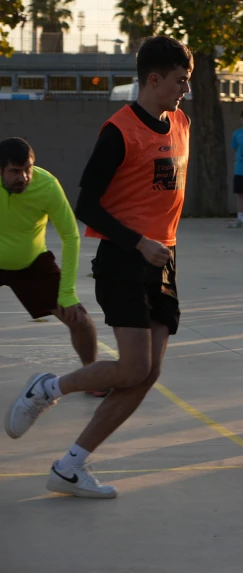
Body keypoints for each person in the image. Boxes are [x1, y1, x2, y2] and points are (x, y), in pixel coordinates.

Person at [4, 37, 192, 499]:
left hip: (162, 259)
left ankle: (70, 466)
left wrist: (158, 245)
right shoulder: (119, 131)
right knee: (132, 367)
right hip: (124, 258)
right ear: (154, 79)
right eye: (180, 80)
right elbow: (87, 203)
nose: (184, 89)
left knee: (146, 374)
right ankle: (49, 388)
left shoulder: (182, 121)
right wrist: (139, 242)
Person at [0, 138, 101, 394]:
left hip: (31, 262)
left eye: (28, 169)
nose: (23, 177)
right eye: (14, 171)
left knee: (78, 318)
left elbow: (70, 235)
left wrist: (67, 292)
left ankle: (91, 374)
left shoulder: (47, 185)